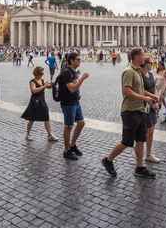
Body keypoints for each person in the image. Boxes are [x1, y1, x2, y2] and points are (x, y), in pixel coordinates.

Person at [101, 48, 156, 178]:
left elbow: (141, 90)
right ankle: (108, 160)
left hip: (140, 110)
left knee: (141, 140)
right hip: (130, 111)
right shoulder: (129, 72)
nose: (145, 57)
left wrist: (153, 97)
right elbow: (126, 91)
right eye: (143, 55)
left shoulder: (138, 71)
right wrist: (144, 98)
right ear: (136, 57)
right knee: (127, 142)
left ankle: (140, 167)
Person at [59, 52, 89, 160]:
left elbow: (74, 86)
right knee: (68, 126)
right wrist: (82, 79)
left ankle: (72, 145)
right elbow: (72, 88)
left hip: (75, 102)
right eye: (78, 59)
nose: (80, 61)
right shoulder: (67, 72)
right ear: (71, 61)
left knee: (81, 123)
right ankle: (66, 150)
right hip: (68, 103)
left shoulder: (73, 72)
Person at [21, 66, 58, 142]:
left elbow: (48, 87)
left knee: (46, 118)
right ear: (37, 73)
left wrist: (51, 84)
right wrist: (43, 86)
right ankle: (28, 134)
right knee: (32, 119)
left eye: (43, 73)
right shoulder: (32, 82)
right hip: (34, 102)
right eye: (41, 73)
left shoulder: (42, 80)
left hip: (42, 101)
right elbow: (34, 90)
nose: (42, 75)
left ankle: (50, 135)